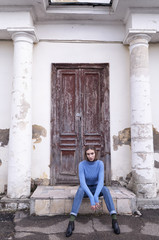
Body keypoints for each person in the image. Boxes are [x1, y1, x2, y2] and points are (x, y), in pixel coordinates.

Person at [65, 145, 120, 237]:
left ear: (95, 153)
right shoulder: (82, 164)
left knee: (105, 190)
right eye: (88, 154)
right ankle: (71, 222)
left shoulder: (100, 164)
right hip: (86, 189)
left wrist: (96, 196)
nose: (90, 156)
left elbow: (101, 182)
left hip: (96, 188)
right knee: (80, 190)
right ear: (85, 155)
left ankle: (114, 220)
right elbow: (82, 183)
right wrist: (92, 198)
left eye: (92, 153)